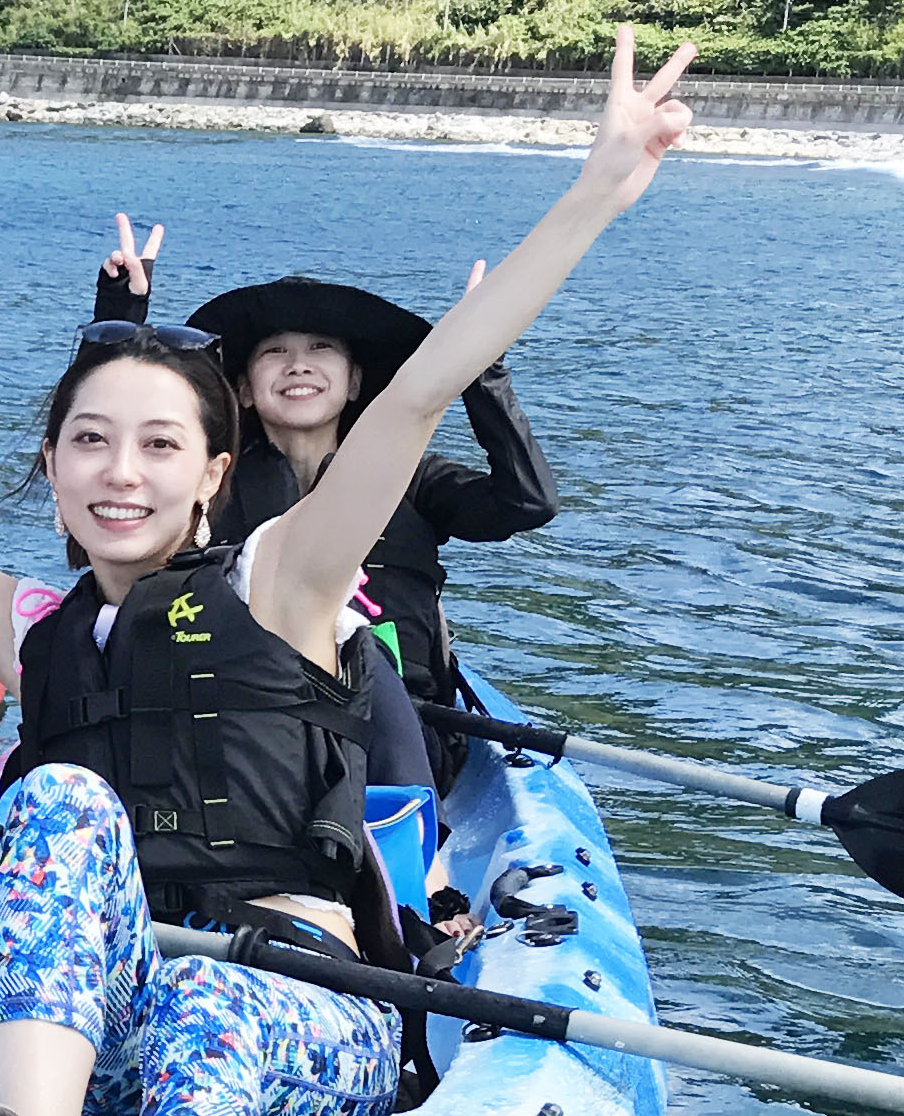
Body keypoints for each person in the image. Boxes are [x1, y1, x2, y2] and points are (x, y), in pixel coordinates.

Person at [0, 38, 693, 1116]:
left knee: (210, 1010)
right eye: (89, 442)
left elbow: (421, 391)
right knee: (60, 801)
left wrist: (597, 192)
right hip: (107, 1040)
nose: (119, 472)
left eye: (157, 444)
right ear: (52, 467)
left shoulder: (285, 580)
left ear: (213, 473)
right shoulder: (34, 627)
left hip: (304, 1022)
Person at [91, 219, 560, 749]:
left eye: (320, 349)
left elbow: (528, 501)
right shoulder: (206, 481)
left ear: (355, 381)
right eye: (275, 352)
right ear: (241, 389)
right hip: (237, 724)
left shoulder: (414, 477)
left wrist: (481, 365)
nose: (298, 366)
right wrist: (118, 321)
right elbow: (109, 478)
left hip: (402, 733)